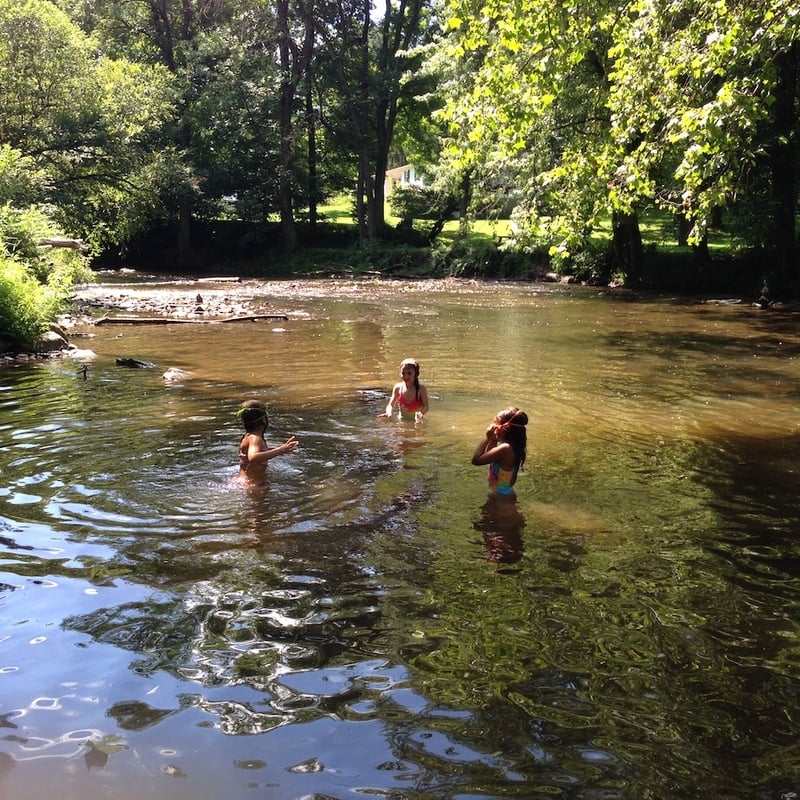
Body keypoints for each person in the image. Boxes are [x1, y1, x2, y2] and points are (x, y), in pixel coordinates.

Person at [236, 400, 298, 484]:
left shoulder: (248, 436)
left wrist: (278, 449)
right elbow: (253, 457)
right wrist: (280, 450)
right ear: (263, 419)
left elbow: (250, 454)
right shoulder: (255, 438)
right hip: (252, 483)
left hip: (243, 480)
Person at [471, 406, 528, 495]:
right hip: (503, 494)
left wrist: (487, 438)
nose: (494, 429)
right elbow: (490, 457)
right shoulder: (513, 446)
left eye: (496, 426)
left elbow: (476, 460)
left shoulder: (505, 448)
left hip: (499, 498)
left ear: (505, 429)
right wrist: (493, 439)